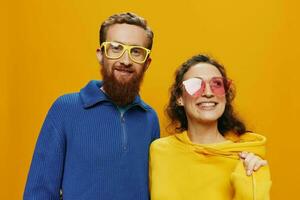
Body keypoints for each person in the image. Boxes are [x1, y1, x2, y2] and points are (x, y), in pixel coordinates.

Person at [24, 12, 160, 200]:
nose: (126, 60)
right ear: (101, 55)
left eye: (136, 52)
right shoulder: (65, 109)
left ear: (147, 63)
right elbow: (38, 192)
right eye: (115, 48)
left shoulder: (149, 118)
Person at [149, 54, 271, 200]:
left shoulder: (247, 161)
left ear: (226, 96)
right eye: (195, 85)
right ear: (179, 98)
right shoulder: (160, 152)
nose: (208, 93)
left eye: (217, 84)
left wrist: (250, 189)